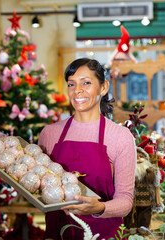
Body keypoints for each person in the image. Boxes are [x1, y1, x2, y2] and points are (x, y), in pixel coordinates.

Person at [38, 58, 136, 239]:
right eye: (71, 84)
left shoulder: (120, 137)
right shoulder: (49, 134)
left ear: (104, 87)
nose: (77, 91)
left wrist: (100, 208)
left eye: (87, 83)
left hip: (104, 234)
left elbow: (126, 201)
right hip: (57, 233)